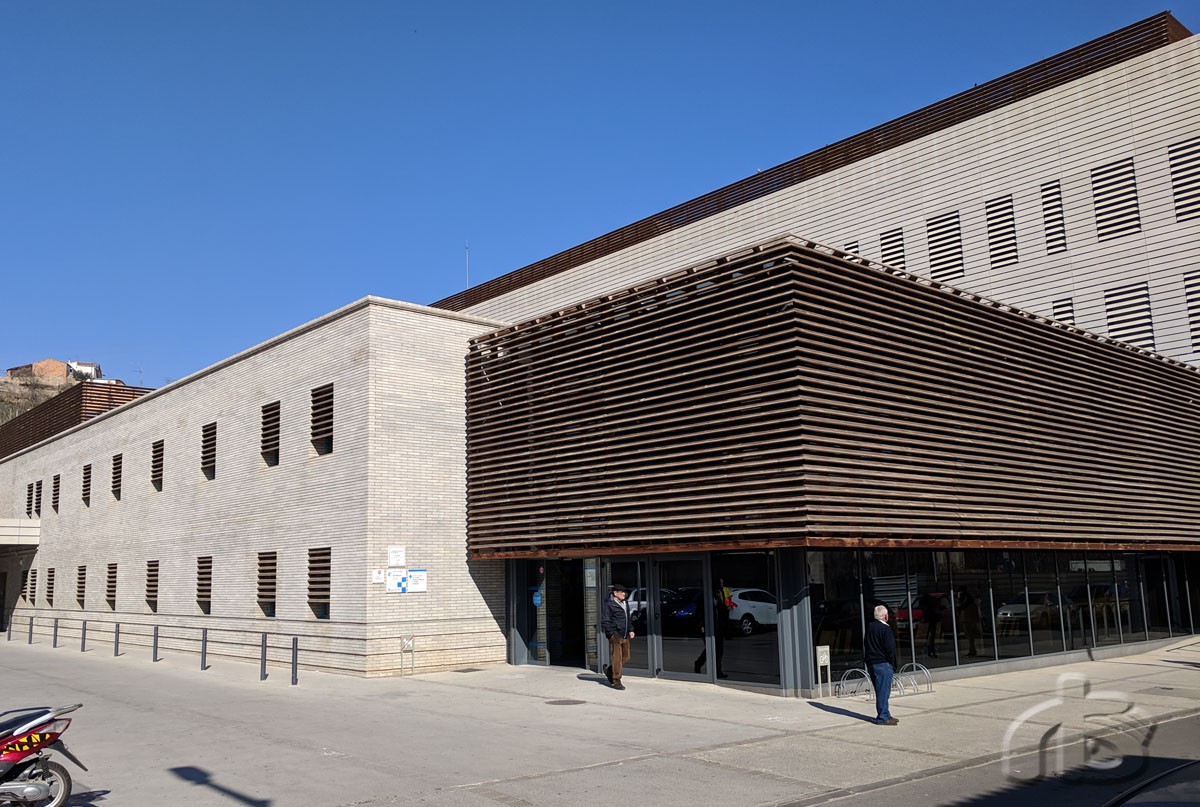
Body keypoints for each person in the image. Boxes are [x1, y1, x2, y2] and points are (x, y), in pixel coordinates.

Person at [864, 604, 899, 725]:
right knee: (883, 692)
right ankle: (883, 717)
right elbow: (890, 649)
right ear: (885, 616)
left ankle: (886, 714)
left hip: (872, 663)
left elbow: (866, 643)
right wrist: (892, 663)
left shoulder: (870, 627)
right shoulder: (886, 629)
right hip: (883, 663)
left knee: (881, 690)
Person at [601, 583, 634, 690]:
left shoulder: (625, 603)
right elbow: (605, 620)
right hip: (615, 635)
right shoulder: (609, 604)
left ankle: (609, 671)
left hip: (625, 634)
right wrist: (611, 634)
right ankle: (616, 681)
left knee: (626, 656)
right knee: (617, 658)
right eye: (622, 592)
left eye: (625, 592)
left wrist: (631, 629)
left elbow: (628, 618)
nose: (624, 594)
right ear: (615, 593)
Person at [956, 588, 982, 657]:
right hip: (969, 620)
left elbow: (960, 607)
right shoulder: (971, 603)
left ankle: (972, 650)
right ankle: (972, 649)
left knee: (969, 635)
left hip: (967, 620)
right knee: (970, 636)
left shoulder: (966, 605)